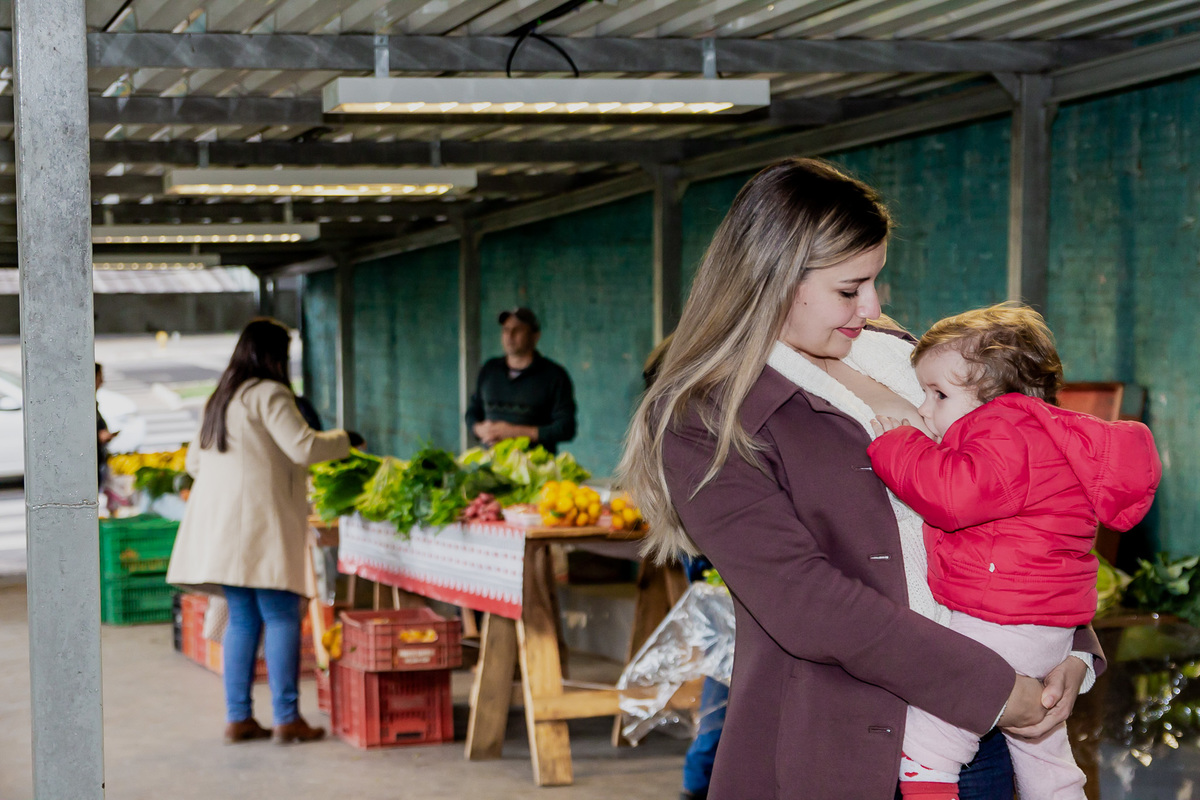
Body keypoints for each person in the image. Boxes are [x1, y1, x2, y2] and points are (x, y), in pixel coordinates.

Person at [616, 157, 1104, 800]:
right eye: (851, 289)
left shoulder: (906, 359)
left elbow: (1027, 497)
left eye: (875, 280)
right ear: (776, 279)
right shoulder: (707, 417)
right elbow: (806, 601)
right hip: (845, 746)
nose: (874, 304)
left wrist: (1068, 646)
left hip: (993, 728)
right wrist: (991, 688)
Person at [866, 304, 1161, 800]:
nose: (922, 408)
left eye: (938, 394)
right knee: (1047, 763)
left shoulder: (1004, 432)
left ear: (998, 398)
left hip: (999, 623)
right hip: (1044, 631)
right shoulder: (1040, 436)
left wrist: (899, 444)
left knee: (927, 749)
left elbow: (950, 496)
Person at [167, 317, 352, 745]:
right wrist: (345, 440)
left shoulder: (221, 398)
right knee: (282, 614)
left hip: (223, 530)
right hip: (260, 525)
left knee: (244, 620)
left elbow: (196, 463)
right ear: (275, 354)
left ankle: (238, 718)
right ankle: (287, 719)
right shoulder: (270, 393)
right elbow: (303, 446)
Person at [466, 307, 576, 453]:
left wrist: (515, 432)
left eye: (517, 330)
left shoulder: (554, 376)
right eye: (505, 330)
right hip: (491, 464)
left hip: (536, 469)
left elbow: (566, 428)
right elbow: (472, 413)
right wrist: (480, 429)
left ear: (535, 336)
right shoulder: (489, 369)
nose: (510, 335)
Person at [96, 362, 114, 490]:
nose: (102, 381)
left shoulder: (91, 401)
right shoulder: (83, 403)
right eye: (100, 377)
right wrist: (98, 436)